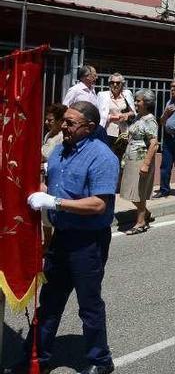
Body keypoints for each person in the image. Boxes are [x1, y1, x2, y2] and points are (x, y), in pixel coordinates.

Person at [25, 101, 119, 374]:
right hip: (62, 238)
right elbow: (51, 186)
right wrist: (36, 191)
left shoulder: (102, 157)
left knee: (88, 304)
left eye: (70, 123)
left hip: (88, 242)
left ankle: (100, 360)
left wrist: (54, 202)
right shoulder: (57, 153)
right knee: (50, 301)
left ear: (88, 128)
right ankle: (36, 358)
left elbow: (99, 204)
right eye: (63, 120)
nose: (63, 126)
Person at [120, 89, 160, 235]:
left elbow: (154, 144)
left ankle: (141, 222)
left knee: (138, 192)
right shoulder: (138, 117)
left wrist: (146, 164)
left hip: (140, 159)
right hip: (131, 158)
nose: (136, 103)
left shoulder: (150, 120)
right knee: (129, 190)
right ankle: (145, 213)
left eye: (138, 101)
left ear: (146, 103)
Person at [96, 73, 135, 153]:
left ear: (122, 84)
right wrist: (114, 117)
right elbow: (98, 115)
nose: (115, 85)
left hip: (123, 132)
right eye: (112, 82)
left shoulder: (127, 95)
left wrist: (126, 115)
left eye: (118, 83)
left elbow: (133, 112)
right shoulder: (102, 95)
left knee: (121, 157)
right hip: (108, 131)